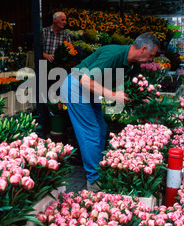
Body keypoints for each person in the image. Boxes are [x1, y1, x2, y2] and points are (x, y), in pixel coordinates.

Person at [60, 32, 160, 192]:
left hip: (91, 90)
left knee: (101, 129)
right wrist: (114, 95)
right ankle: (94, 182)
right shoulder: (113, 54)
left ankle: (100, 170)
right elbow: (85, 80)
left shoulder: (131, 63)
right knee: (90, 132)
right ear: (143, 49)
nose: (151, 60)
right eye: (151, 55)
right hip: (76, 87)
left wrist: (143, 96)